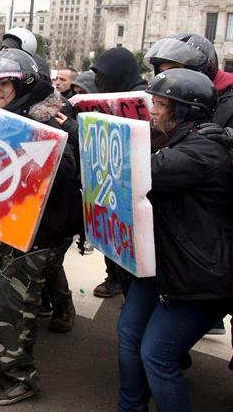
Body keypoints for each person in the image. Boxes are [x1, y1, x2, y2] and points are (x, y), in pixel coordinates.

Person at [0, 48, 81, 405]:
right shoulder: (11, 111)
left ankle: (18, 375)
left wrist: (51, 143)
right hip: (11, 216)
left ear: (24, 82)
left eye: (5, 84)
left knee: (15, 293)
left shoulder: (53, 116)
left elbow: (69, 174)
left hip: (45, 226)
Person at [117, 68, 233, 411]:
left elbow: (144, 170)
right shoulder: (173, 138)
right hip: (165, 264)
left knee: (157, 354)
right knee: (129, 333)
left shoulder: (203, 150)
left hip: (198, 276)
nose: (151, 109)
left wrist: (88, 135)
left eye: (160, 103)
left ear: (184, 110)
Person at [90, 47, 147, 298]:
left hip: (135, 177)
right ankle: (117, 279)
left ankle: (132, 290)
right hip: (112, 174)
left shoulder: (140, 98)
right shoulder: (115, 94)